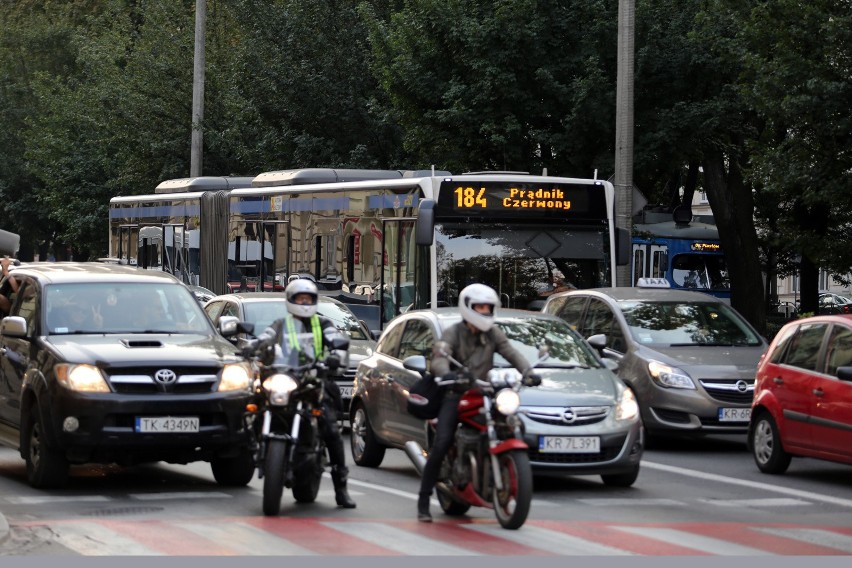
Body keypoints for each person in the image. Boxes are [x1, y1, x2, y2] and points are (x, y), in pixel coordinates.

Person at [416, 283, 540, 522]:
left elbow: (511, 352)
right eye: (479, 307)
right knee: (442, 442)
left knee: (515, 425)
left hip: (485, 392)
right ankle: (423, 500)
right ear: (468, 307)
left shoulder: (493, 333)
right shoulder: (453, 332)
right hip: (455, 393)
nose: (484, 312)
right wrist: (444, 373)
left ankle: (501, 473)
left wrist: (528, 371)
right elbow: (440, 355)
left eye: (487, 307)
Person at [246, 278, 356, 509]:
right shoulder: (280, 324)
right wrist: (252, 347)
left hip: (312, 382)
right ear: (291, 301)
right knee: (254, 404)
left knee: (331, 430)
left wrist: (335, 355)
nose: (304, 303)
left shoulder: (323, 325)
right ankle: (249, 448)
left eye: (308, 299)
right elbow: (265, 338)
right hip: (284, 378)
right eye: (300, 299)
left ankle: (341, 488)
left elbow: (337, 341)